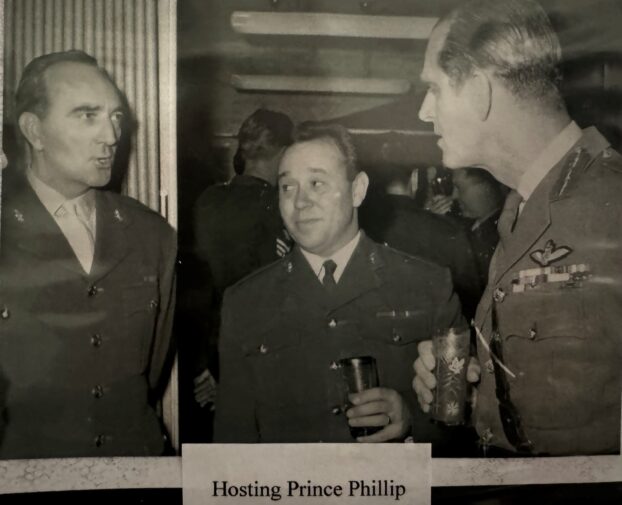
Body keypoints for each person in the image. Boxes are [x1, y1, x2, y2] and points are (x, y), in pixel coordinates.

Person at [412, 0, 622, 456]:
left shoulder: (612, 207)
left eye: (434, 88)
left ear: (479, 91)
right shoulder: (522, 212)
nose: (425, 111)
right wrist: (477, 397)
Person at [214, 123, 464, 447]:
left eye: (316, 183)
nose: (300, 202)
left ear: (357, 190)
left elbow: (461, 426)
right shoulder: (246, 302)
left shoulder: (428, 286)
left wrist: (412, 420)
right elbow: (232, 444)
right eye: (287, 187)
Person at [0, 50, 176, 459]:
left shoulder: (151, 234)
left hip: (135, 469)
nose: (112, 136)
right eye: (87, 115)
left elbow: (150, 371)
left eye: (116, 116)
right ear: (35, 131)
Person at [185, 109, 293, 440]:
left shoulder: (207, 200)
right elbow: (272, 301)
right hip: (256, 363)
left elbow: (194, 291)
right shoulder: (278, 205)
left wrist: (203, 366)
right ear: (284, 153)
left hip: (205, 357)